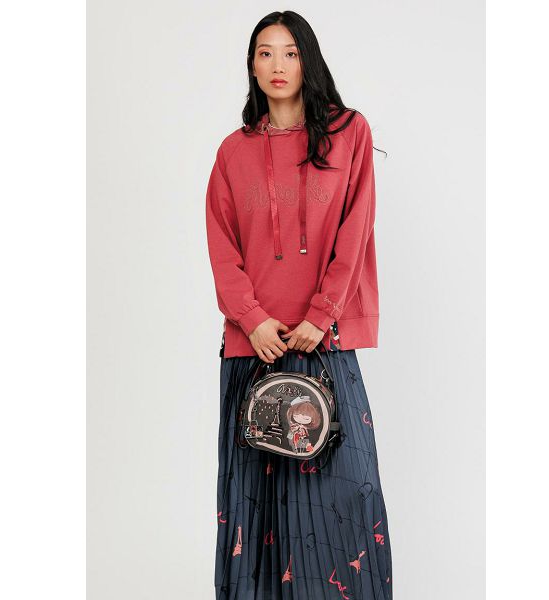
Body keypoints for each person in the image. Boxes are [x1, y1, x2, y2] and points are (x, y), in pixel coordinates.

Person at [205, 10, 393, 599]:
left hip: (325, 344)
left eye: (290, 52)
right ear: (251, 65)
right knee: (256, 515)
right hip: (254, 351)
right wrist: (253, 319)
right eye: (265, 53)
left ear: (308, 59)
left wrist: (321, 314)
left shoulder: (349, 133)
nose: (278, 65)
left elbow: (355, 231)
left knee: (346, 500)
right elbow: (222, 248)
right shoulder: (233, 152)